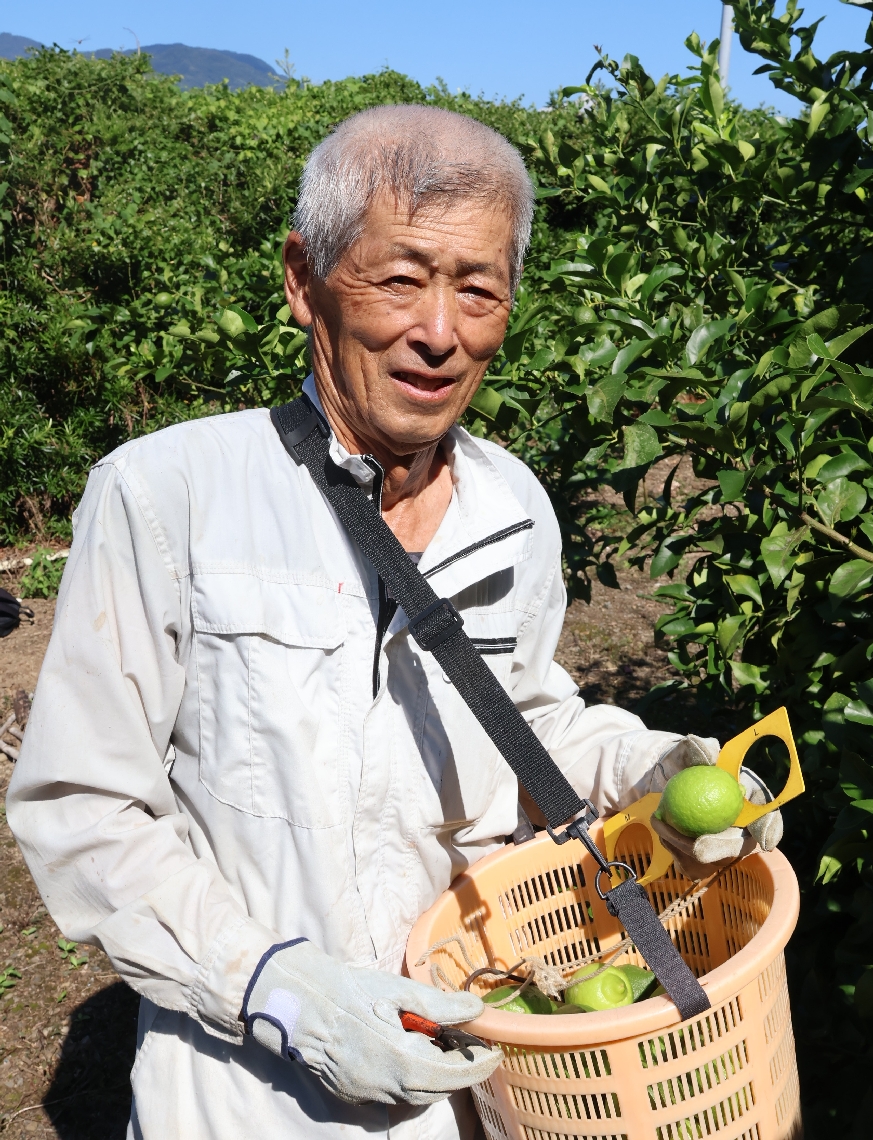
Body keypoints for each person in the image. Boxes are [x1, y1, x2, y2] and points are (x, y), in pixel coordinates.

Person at [6, 105, 781, 1139]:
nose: (440, 331)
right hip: (246, 1096)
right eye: (402, 277)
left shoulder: (514, 509)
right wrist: (284, 993)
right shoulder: (168, 496)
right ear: (302, 279)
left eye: (478, 289)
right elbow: (84, 807)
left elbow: (524, 721)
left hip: (482, 1081)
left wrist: (654, 769)